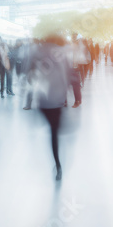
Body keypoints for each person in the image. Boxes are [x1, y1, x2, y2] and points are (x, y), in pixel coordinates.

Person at [31, 34, 70, 181]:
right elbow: (65, 76)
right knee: (55, 132)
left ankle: (58, 164)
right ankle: (58, 164)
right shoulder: (61, 53)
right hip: (57, 98)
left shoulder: (37, 51)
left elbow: (30, 74)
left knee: (52, 128)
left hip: (43, 99)